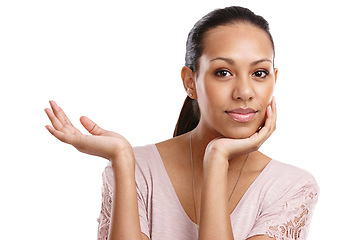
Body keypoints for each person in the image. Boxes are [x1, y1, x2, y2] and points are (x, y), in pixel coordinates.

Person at [45, 6, 319, 240]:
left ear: (275, 79)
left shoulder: (292, 187)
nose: (244, 92)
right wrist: (122, 159)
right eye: (223, 72)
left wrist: (216, 158)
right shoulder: (137, 171)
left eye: (259, 73)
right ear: (190, 82)